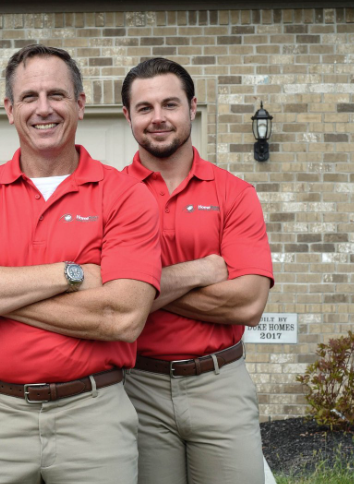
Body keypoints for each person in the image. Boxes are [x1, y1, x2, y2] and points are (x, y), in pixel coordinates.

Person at [0, 44, 162, 484]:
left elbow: (122, 315)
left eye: (56, 95)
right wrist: (69, 275)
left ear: (80, 104)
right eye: (29, 98)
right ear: (9, 110)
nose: (43, 109)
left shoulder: (126, 195)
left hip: (93, 416)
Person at [119, 57, 274, 484]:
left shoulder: (234, 193)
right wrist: (202, 270)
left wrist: (142, 291)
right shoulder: (107, 195)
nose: (158, 118)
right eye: (145, 108)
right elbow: (104, 300)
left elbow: (248, 303)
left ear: (192, 107)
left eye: (170, 104)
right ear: (128, 116)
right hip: (136, 386)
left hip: (219, 383)